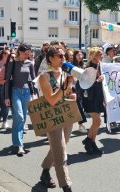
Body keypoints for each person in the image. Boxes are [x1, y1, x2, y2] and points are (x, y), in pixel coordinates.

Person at [37, 45, 73, 192]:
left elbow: (66, 94)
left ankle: (45, 170)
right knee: (61, 152)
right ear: (50, 59)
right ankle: (66, 186)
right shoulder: (44, 77)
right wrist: (65, 87)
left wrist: (71, 93)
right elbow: (51, 100)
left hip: (65, 114)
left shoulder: (65, 74)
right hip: (52, 117)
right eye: (60, 56)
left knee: (60, 146)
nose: (63, 58)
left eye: (64, 55)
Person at [4, 44, 35, 156]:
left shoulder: (30, 63)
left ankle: (17, 142)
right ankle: (20, 145)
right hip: (15, 91)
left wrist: (33, 94)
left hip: (26, 92)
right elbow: (7, 80)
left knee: (22, 118)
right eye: (25, 54)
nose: (27, 56)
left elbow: (33, 80)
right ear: (20, 52)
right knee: (19, 116)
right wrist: (6, 96)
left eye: (28, 54)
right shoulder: (13, 62)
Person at [82, 47, 105, 155]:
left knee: (97, 122)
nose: (102, 56)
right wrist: (97, 80)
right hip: (90, 99)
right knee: (97, 121)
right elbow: (86, 86)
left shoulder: (100, 66)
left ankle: (91, 142)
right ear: (94, 56)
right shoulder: (89, 68)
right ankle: (89, 141)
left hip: (98, 98)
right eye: (100, 54)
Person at [72, 50, 87, 133]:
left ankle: (80, 124)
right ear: (75, 56)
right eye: (78, 55)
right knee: (79, 106)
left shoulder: (83, 65)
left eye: (81, 55)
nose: (80, 56)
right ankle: (81, 125)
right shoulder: (73, 65)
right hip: (75, 88)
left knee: (80, 106)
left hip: (82, 87)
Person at [0, 48, 11, 129]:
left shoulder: (13, 65)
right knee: (4, 105)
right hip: (3, 87)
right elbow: (0, 80)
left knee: (6, 105)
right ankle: (3, 120)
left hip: (11, 87)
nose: (9, 56)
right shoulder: (2, 66)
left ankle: (4, 119)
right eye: (7, 54)